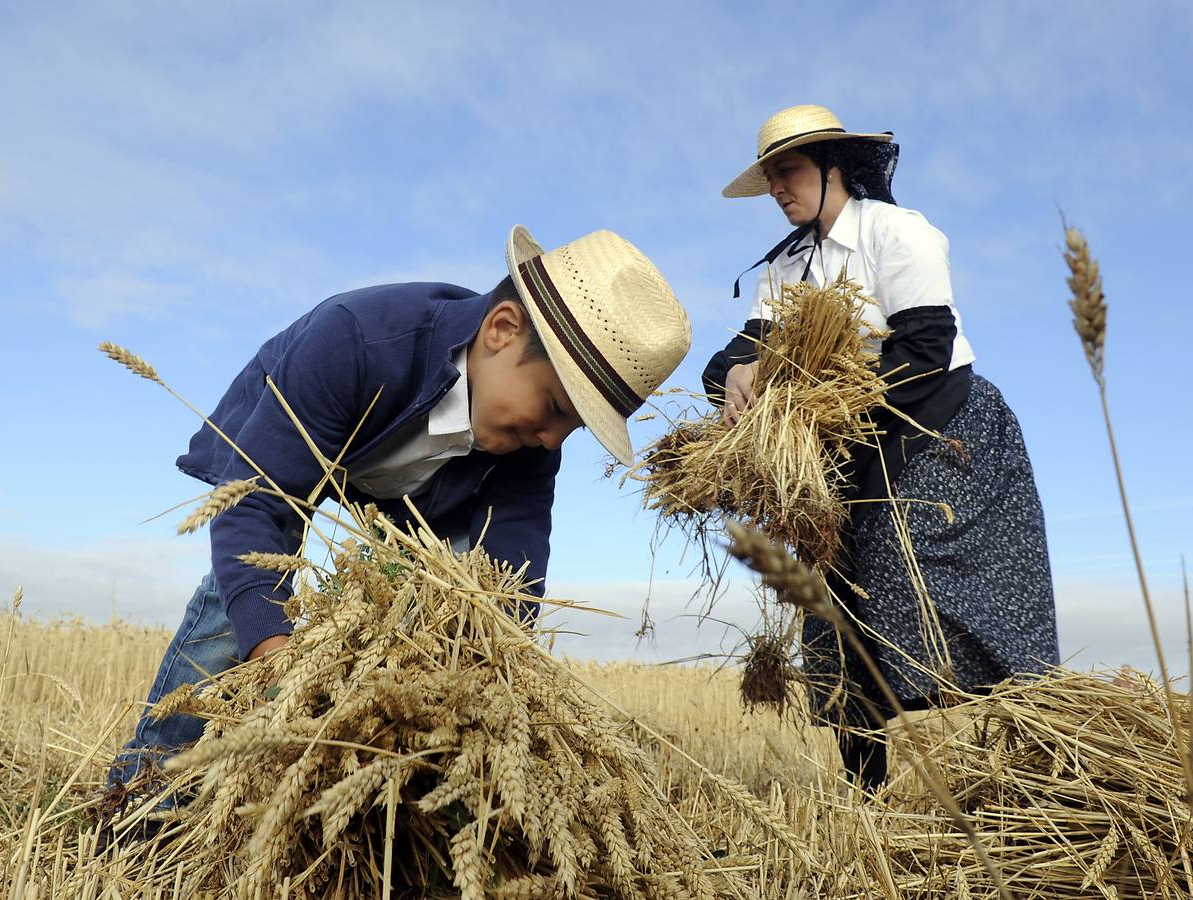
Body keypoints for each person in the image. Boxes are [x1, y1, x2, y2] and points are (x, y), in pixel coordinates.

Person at [106, 225, 692, 802]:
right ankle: (146, 796)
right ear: (502, 330)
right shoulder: (354, 340)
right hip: (296, 441)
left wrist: (489, 674)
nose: (550, 437)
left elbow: (513, 567)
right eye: (554, 406)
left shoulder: (531, 443)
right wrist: (281, 666)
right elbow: (256, 504)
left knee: (458, 603)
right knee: (233, 609)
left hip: (421, 497)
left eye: (573, 427)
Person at [703, 105, 1059, 790]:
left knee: (936, 591)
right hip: (846, 452)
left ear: (836, 167)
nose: (779, 188)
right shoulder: (788, 266)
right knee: (839, 617)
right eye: (771, 177)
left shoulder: (899, 233)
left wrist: (827, 401)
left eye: (791, 171)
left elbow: (927, 348)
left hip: (940, 431)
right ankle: (863, 795)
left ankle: (1040, 768)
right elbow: (742, 351)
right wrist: (735, 374)